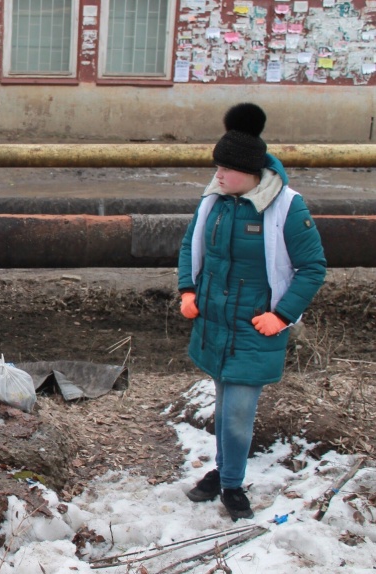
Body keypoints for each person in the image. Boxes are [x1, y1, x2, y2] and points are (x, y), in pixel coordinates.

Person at [177, 103, 326, 521]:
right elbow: (191, 244)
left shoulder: (286, 207)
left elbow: (312, 268)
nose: (218, 175)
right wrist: (187, 290)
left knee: (238, 415)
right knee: (224, 408)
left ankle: (231, 485)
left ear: (250, 171)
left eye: (226, 168)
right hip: (215, 325)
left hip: (255, 329)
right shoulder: (216, 201)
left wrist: (282, 315)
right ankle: (225, 472)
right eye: (218, 167)